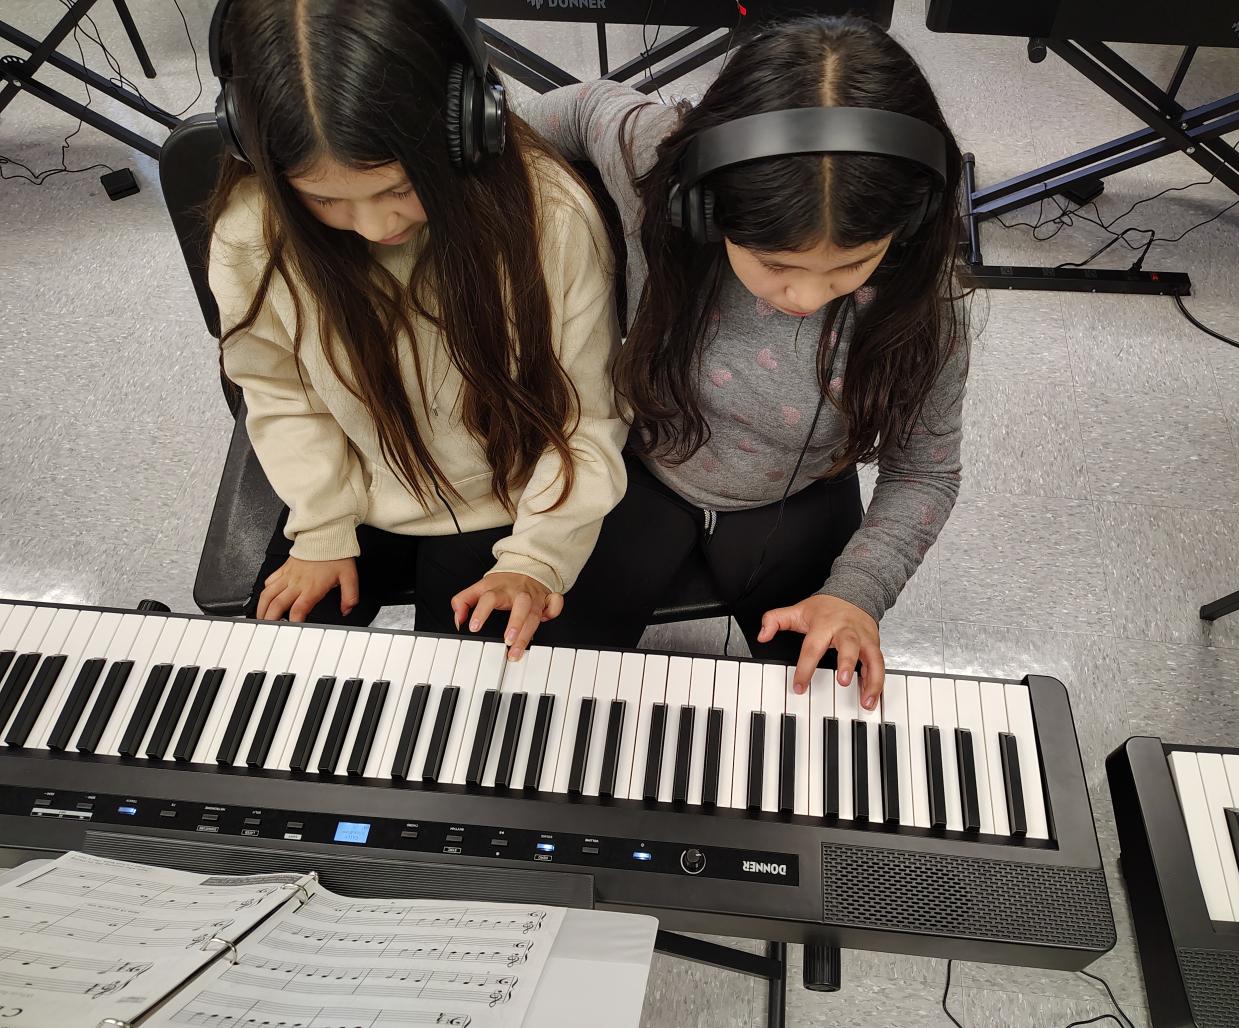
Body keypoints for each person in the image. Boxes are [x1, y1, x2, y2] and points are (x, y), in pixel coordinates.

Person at [524, 16, 970, 705]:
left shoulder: (926, 302)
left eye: (851, 265)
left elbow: (925, 471)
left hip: (800, 493)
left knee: (825, 696)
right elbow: (583, 110)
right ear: (702, 207)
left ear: (908, 223)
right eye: (775, 264)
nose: (808, 297)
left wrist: (856, 593)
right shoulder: (655, 165)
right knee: (547, 678)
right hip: (635, 468)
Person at [206, 0, 626, 660]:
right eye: (324, 198)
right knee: (277, 670)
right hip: (352, 487)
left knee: (478, 691)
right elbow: (282, 394)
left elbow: (586, 418)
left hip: (515, 499)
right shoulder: (252, 233)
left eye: (399, 188)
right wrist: (321, 526)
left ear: (466, 125)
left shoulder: (552, 218)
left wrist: (535, 558)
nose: (375, 227)